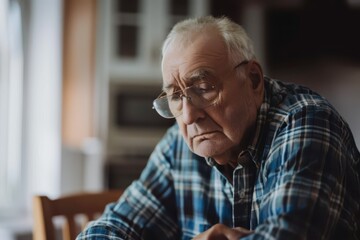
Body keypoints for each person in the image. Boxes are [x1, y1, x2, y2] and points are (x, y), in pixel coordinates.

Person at [77, 16, 360, 239]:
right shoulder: (179, 143)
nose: (188, 115)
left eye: (203, 88)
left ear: (253, 80)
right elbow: (112, 229)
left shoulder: (305, 123)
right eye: (175, 97)